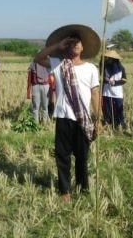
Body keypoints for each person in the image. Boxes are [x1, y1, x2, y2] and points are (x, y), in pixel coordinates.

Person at [34, 24, 101, 200]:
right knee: (62, 156)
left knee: (82, 157)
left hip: (83, 118)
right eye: (71, 42)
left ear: (83, 46)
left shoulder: (91, 69)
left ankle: (82, 187)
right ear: (67, 46)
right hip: (63, 116)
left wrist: (98, 119)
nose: (75, 45)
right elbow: (38, 58)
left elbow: (95, 95)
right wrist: (58, 46)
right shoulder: (58, 64)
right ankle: (65, 190)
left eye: (78, 42)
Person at [99, 49, 126, 128]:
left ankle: (120, 123)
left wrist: (115, 82)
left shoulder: (121, 68)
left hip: (117, 92)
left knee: (118, 108)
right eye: (107, 58)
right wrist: (101, 58)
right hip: (106, 91)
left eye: (110, 58)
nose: (108, 59)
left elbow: (124, 80)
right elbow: (102, 74)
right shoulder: (105, 66)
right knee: (107, 108)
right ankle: (108, 121)